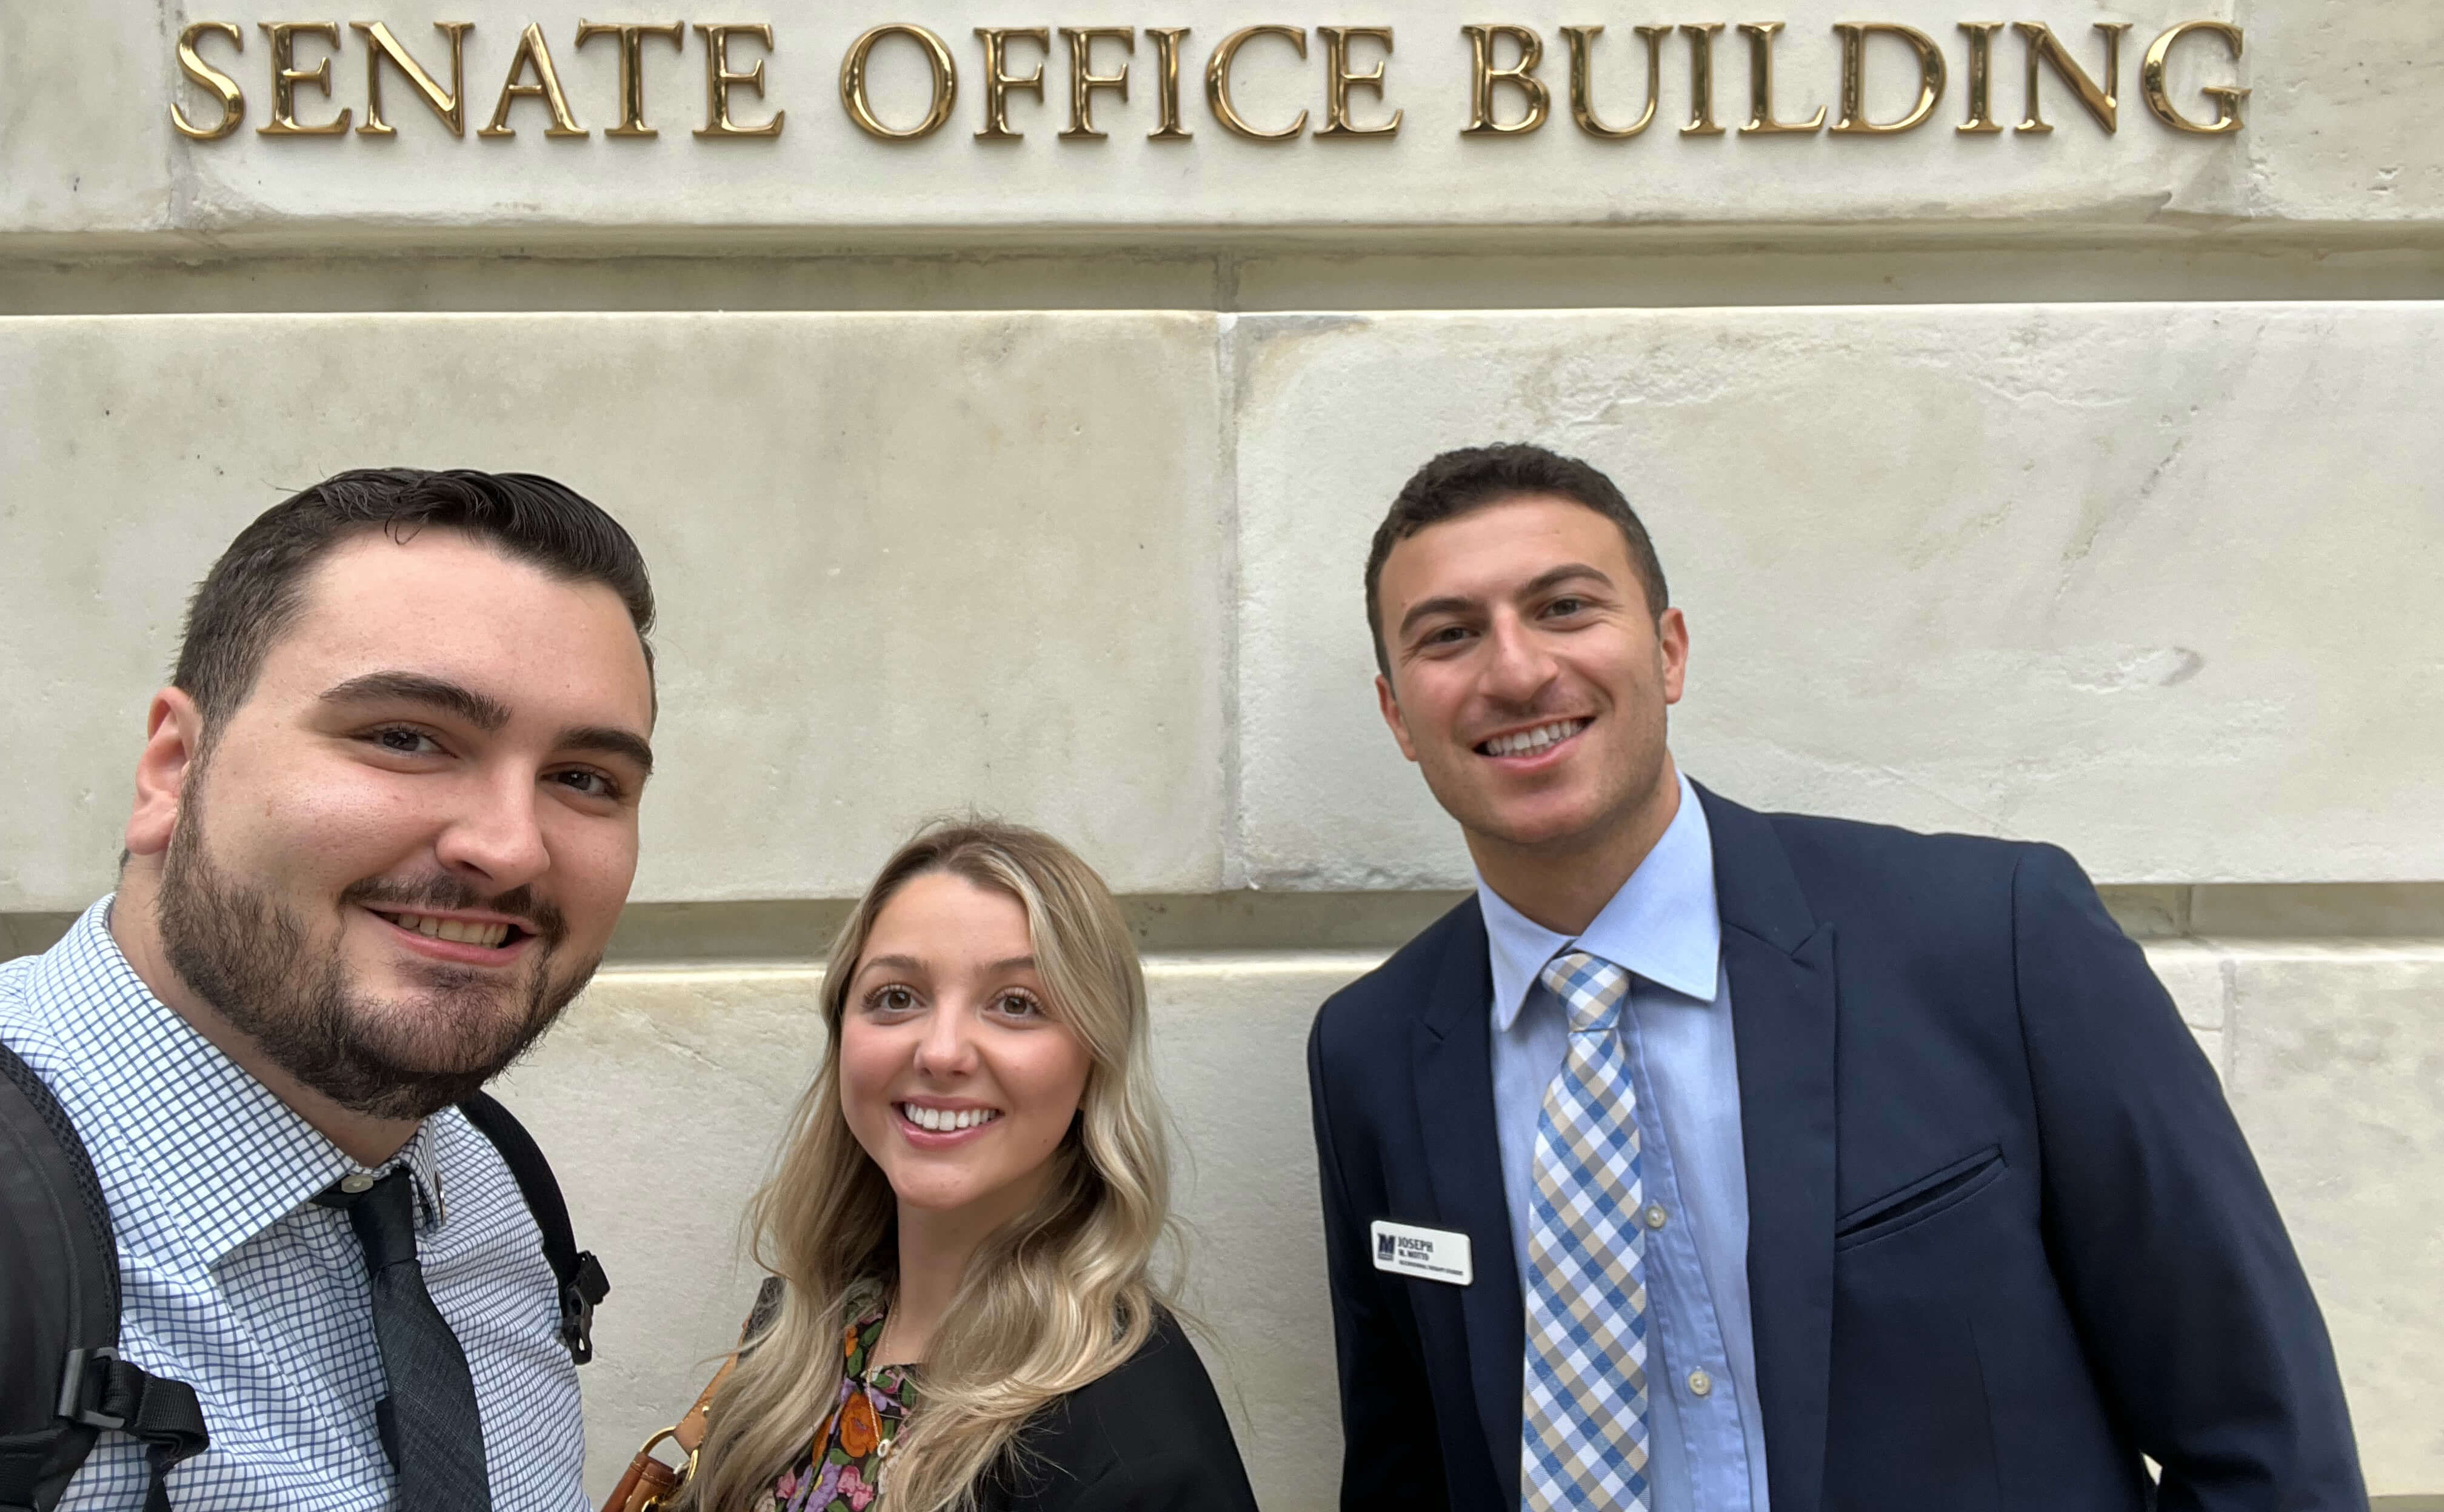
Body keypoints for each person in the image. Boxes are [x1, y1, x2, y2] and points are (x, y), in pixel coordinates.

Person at [1306, 443, 2365, 1512]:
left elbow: (2261, 1438)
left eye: (1565, 607)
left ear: (1668, 652)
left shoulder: (1992, 938)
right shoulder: (1373, 1048)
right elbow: (1407, 1469)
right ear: (1399, 713)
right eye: (1448, 634)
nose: (1516, 669)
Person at [0, 468, 659, 1510]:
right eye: (404, 735)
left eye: (584, 777)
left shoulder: (487, 1182)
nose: (509, 845)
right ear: (173, 767)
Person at [675, 819, 1259, 1512]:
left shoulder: (1129, 1439)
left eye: (1016, 1004)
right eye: (897, 997)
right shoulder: (800, 1324)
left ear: (1093, 1066)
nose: (941, 1051)